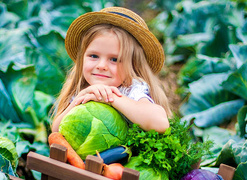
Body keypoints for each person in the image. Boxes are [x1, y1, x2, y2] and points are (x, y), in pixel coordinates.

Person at [51, 6, 171, 134]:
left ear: (133, 65)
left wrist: (111, 98)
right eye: (94, 56)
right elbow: (56, 132)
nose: (102, 66)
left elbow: (161, 124)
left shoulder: (131, 90)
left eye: (114, 59)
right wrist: (77, 100)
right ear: (82, 58)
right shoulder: (83, 89)